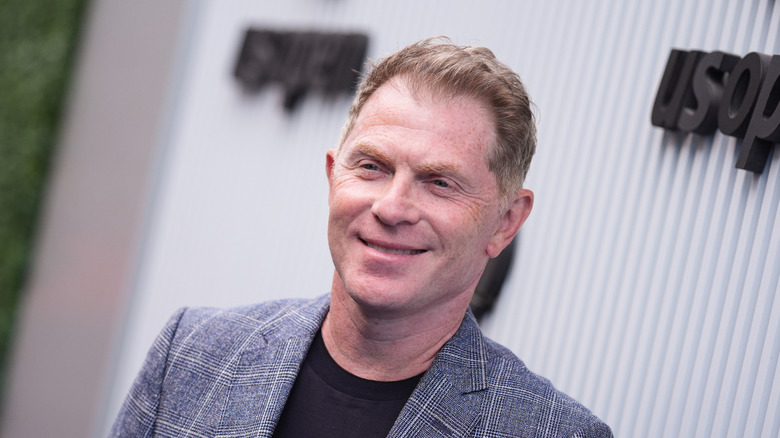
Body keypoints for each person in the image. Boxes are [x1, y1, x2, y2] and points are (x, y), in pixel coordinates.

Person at [111, 37, 613, 437]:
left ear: (505, 221)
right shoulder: (192, 353)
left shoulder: (555, 432)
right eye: (371, 166)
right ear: (334, 176)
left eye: (440, 182)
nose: (392, 207)